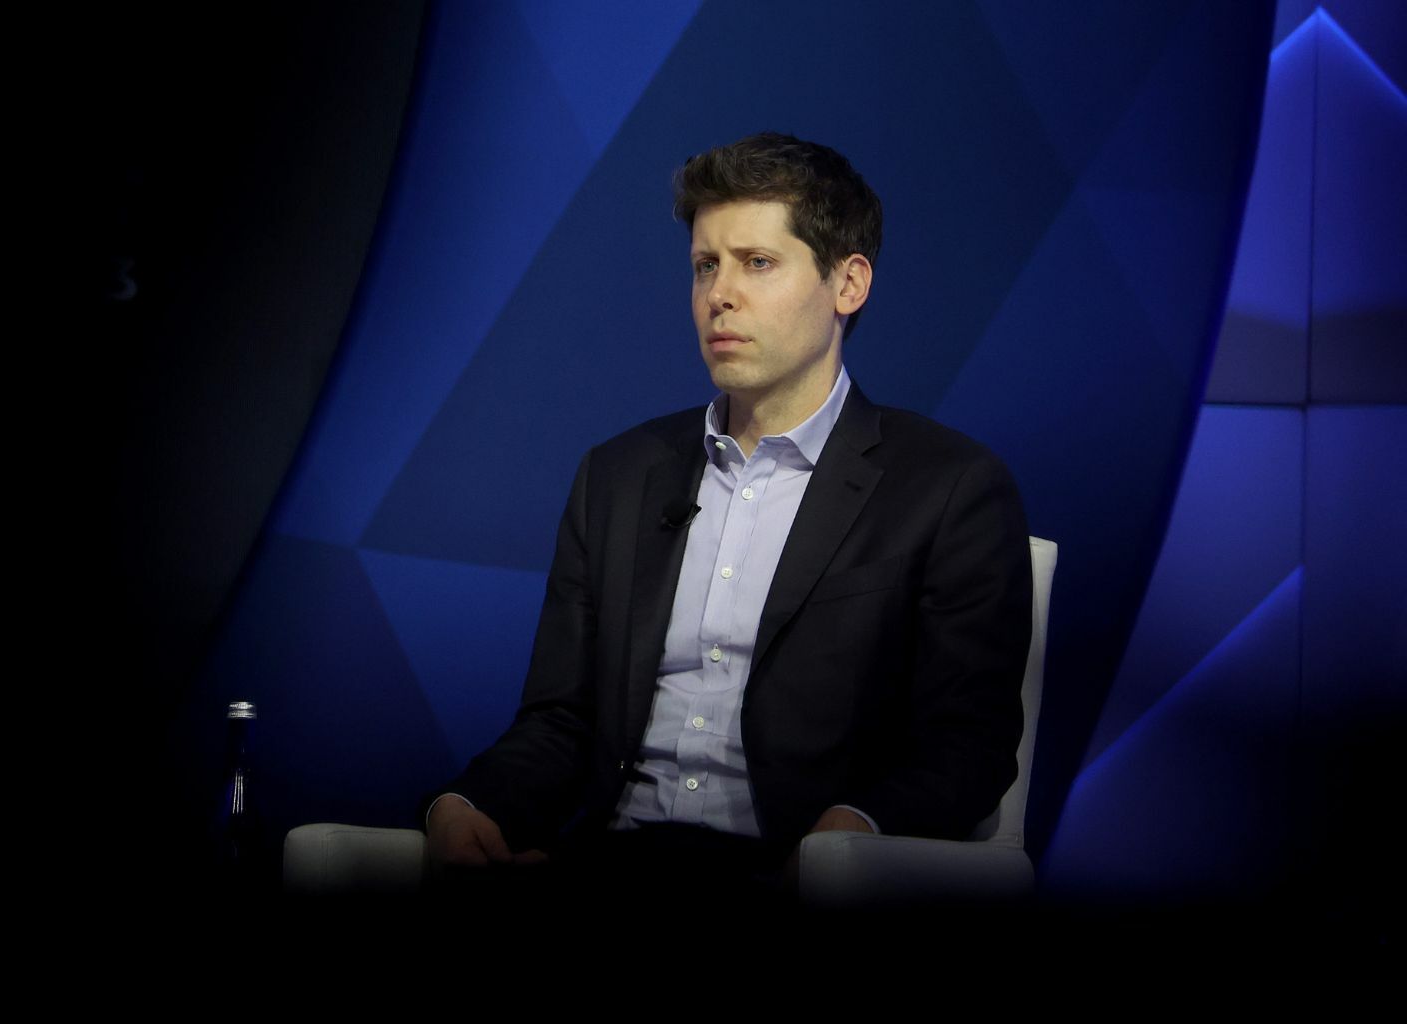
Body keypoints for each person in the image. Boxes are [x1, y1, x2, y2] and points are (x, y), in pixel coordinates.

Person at [418, 131, 1033, 903]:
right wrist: (466, 804)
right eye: (706, 265)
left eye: (758, 263)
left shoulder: (947, 489)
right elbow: (560, 724)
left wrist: (854, 830)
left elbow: (967, 747)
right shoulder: (618, 477)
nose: (720, 295)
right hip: (610, 865)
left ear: (848, 283)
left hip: (791, 878)